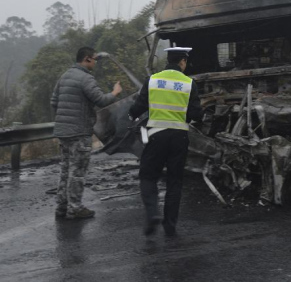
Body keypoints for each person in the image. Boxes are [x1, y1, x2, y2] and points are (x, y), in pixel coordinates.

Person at [129, 47, 202, 237]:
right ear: (183, 62)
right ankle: (170, 226)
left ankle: (153, 213)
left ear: (167, 60)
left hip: (156, 135)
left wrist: (131, 114)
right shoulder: (189, 83)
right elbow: (196, 115)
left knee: (148, 175)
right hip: (179, 138)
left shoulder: (153, 80)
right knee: (175, 181)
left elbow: (138, 107)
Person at [51, 47, 122, 219]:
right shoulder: (86, 78)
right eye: (95, 59)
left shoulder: (65, 76)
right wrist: (115, 92)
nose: (96, 62)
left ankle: (62, 207)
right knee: (78, 171)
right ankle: (75, 208)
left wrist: (64, 121)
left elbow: (54, 101)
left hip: (63, 132)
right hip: (79, 132)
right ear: (87, 59)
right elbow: (101, 100)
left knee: (65, 169)